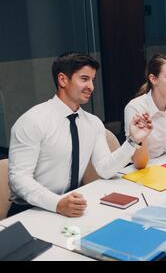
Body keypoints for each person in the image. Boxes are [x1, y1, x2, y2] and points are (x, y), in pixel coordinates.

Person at [8, 53, 152, 218]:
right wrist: (56, 203)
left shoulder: (92, 122)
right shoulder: (32, 121)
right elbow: (19, 179)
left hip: (72, 206)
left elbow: (105, 169)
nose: (91, 86)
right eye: (84, 79)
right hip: (30, 210)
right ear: (62, 80)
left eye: (92, 80)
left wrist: (133, 141)